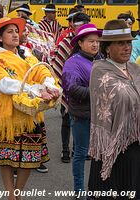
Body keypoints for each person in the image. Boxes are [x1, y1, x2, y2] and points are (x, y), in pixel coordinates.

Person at [0, 17, 61, 200]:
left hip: (29, 113)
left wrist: (48, 83)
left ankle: (18, 193)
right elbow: (2, 83)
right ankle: (11, 195)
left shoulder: (26, 54)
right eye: (10, 31)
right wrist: (32, 89)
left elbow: (42, 71)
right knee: (6, 158)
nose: (15, 34)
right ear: (0, 37)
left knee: (29, 158)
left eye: (16, 31)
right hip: (7, 115)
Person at [88, 19, 140, 200]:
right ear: (108, 48)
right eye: (120, 43)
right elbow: (120, 98)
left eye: (128, 42)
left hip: (135, 145)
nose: (127, 47)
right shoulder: (100, 71)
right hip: (111, 147)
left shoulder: (135, 69)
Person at [62, 24, 102, 195]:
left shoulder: (100, 60)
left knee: (100, 153)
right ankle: (79, 188)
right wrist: (99, 91)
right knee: (80, 152)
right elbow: (72, 89)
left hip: (100, 115)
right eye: (91, 41)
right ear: (80, 43)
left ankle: (98, 187)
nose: (95, 45)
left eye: (97, 41)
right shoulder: (73, 63)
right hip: (82, 115)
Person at [52, 12, 90, 163]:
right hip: (66, 87)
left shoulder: (89, 43)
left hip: (82, 89)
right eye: (79, 26)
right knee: (66, 119)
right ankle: (65, 150)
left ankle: (78, 148)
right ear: (72, 26)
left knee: (81, 120)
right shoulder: (65, 43)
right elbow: (57, 66)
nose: (81, 28)